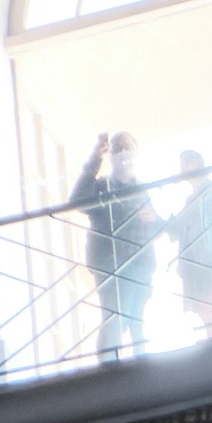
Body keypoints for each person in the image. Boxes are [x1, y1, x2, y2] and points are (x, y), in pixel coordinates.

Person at [67, 137, 147, 361]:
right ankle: (108, 365)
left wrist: (157, 220)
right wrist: (95, 158)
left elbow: (152, 224)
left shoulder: (142, 189)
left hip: (140, 262)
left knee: (136, 318)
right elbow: (78, 201)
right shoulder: (102, 187)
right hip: (110, 260)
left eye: (127, 147)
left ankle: (142, 363)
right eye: (118, 147)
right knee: (115, 314)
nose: (123, 152)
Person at [166, 150, 212, 344]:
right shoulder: (191, 200)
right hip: (195, 265)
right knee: (204, 308)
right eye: (183, 164)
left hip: (211, 262)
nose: (184, 168)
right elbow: (177, 228)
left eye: (188, 163)